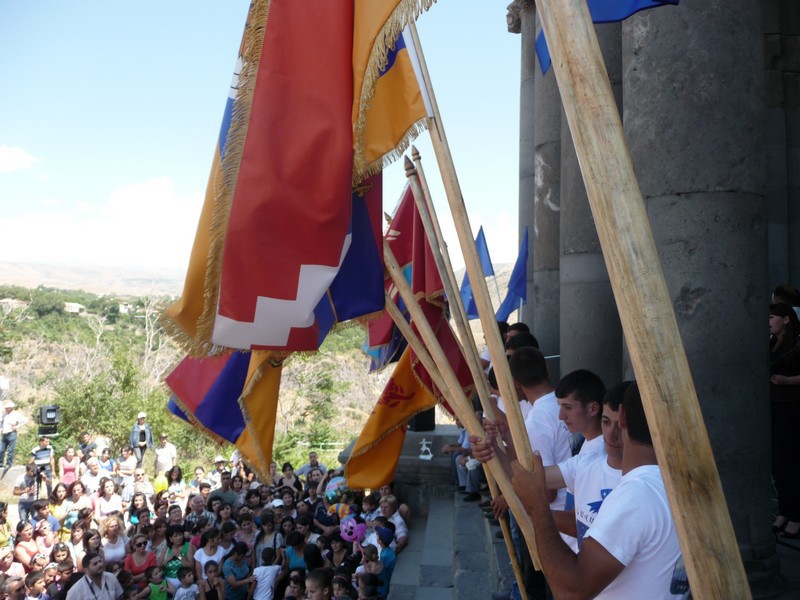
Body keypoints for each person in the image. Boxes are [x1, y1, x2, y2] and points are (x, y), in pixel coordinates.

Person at [510, 382, 690, 599]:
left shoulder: (638, 494)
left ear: (622, 416)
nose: (611, 435)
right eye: (605, 422)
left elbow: (572, 591)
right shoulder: (680, 485)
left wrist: (539, 508)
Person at [768, 302, 800, 538]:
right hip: (774, 405)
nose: (768, 322)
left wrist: (787, 381)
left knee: (789, 462)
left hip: (792, 407)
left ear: (786, 319)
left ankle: (796, 515)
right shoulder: (772, 342)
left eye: (772, 317)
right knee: (777, 464)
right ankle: (784, 511)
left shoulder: (796, 344)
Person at [0, 400, 27, 476]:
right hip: (5, 433)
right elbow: (1, 422)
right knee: (1, 449)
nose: (6, 409)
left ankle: (9, 464)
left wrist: (17, 426)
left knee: (10, 450)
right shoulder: (4, 414)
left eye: (7, 408)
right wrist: (1, 429)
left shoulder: (16, 414)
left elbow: (25, 420)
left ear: (11, 408)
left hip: (11, 433)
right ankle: (0, 463)